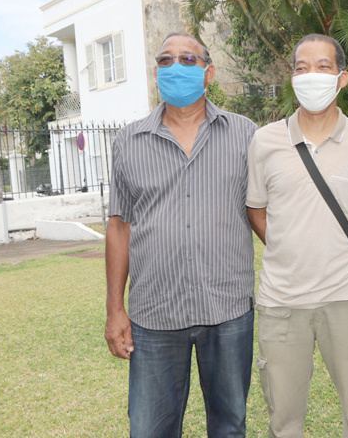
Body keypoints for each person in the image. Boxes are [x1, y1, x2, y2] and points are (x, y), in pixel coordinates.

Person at [104, 32, 257, 437]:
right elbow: (119, 225)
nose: (176, 67)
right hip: (154, 312)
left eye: (188, 60)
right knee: (150, 428)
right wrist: (115, 309)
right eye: (166, 60)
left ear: (208, 72)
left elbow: (264, 212)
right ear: (157, 73)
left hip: (227, 309)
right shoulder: (128, 140)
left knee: (229, 426)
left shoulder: (246, 134)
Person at [246, 34, 348, 438]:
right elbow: (256, 207)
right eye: (301, 67)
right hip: (281, 302)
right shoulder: (264, 141)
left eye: (322, 67)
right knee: (283, 421)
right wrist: (288, 245)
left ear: (342, 78)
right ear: (291, 78)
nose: (311, 76)